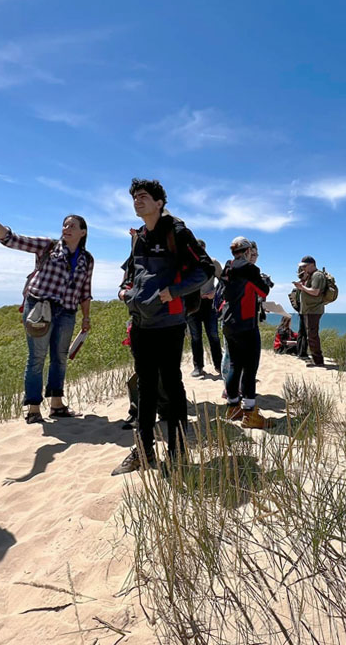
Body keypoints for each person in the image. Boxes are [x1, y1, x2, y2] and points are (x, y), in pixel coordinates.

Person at [113, 178, 214, 475]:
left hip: (169, 322)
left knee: (171, 384)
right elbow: (130, 271)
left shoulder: (178, 232)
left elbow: (206, 268)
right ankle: (144, 452)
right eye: (134, 197)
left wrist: (175, 291)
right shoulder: (140, 236)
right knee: (145, 387)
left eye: (143, 196)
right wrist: (123, 290)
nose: (137, 201)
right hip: (141, 321)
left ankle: (178, 453)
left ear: (159, 202)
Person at [0, 207, 93, 422]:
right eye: (65, 224)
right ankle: (33, 409)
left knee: (60, 358)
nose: (66, 228)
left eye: (72, 226)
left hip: (67, 312)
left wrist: (86, 318)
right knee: (37, 358)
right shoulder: (48, 246)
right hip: (40, 308)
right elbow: (11, 239)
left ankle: (57, 404)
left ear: (83, 232)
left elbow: (85, 291)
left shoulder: (86, 259)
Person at [219, 236, 272, 429]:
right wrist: (264, 281)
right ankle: (250, 413)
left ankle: (233, 406)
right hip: (245, 323)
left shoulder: (228, 266)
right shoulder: (250, 269)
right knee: (250, 367)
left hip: (228, 320)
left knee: (234, 364)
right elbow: (263, 291)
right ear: (248, 251)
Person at [187, 239, 223, 378]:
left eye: (201, 248)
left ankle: (219, 365)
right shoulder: (188, 262)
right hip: (192, 304)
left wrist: (215, 293)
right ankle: (198, 367)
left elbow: (223, 281)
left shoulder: (213, 262)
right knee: (195, 337)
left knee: (213, 335)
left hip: (210, 303)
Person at [293, 255, 327, 368]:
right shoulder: (310, 275)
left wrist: (302, 288)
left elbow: (315, 291)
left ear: (312, 264)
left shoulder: (317, 275)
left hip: (314, 309)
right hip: (309, 309)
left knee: (312, 335)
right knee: (310, 335)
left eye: (305, 266)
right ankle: (316, 359)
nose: (303, 268)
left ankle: (318, 361)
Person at [288, 263, 309, 359]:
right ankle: (302, 352)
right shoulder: (304, 284)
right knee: (304, 331)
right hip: (305, 310)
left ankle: (301, 352)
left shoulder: (299, 284)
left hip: (301, 310)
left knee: (302, 331)